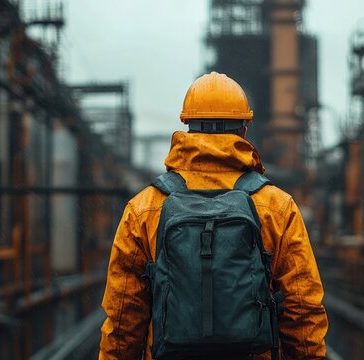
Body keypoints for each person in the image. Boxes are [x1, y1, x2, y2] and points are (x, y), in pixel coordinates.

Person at [99, 72, 328, 359]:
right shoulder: (277, 207)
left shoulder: (144, 208)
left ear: (186, 127)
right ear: (244, 129)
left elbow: (123, 317)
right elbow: (302, 312)